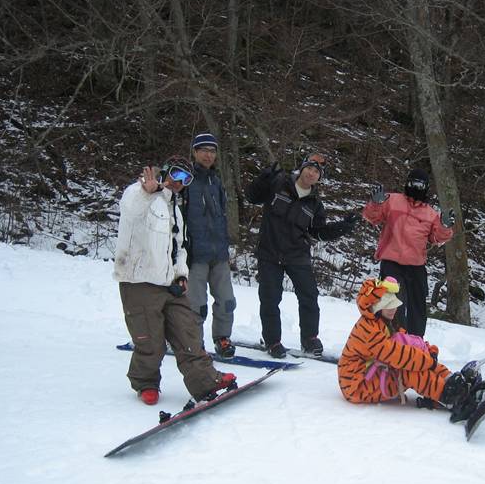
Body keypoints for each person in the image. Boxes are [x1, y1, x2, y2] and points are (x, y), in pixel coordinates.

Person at [113, 156, 235, 405]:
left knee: (188, 334)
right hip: (140, 282)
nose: (179, 182)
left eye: (186, 179)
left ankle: (205, 381)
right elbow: (131, 211)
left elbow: (179, 247)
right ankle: (146, 383)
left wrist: (181, 274)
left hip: (170, 284)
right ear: (165, 172)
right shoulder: (138, 193)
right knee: (150, 341)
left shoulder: (175, 209)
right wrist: (147, 193)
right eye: (177, 174)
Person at [245, 152, 359, 358]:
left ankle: (310, 339)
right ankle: (272, 341)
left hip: (297, 255)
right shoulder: (279, 183)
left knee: (309, 296)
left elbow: (319, 232)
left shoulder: (315, 203)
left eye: (316, 172)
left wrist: (344, 227)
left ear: (319, 178)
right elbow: (252, 197)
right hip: (270, 252)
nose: (311, 173)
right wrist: (263, 178)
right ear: (302, 168)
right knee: (270, 298)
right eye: (309, 168)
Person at [338, 277, 485, 426]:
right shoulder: (368, 330)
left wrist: (428, 351)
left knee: (420, 360)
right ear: (374, 307)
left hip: (371, 372)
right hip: (357, 385)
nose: (393, 309)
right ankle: (452, 397)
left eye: (394, 304)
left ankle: (451, 380)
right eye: (388, 306)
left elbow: (407, 340)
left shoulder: (382, 322)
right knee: (408, 372)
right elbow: (398, 355)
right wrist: (429, 362)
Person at [362, 168, 455, 336]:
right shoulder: (392, 201)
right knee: (393, 303)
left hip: (416, 265)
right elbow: (372, 218)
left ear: (426, 188)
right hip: (392, 262)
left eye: (420, 185)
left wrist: (445, 227)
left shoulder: (431, 214)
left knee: (417, 306)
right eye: (413, 183)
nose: (416, 188)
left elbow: (436, 238)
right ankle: (392, 338)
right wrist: (375, 204)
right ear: (407, 183)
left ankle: (415, 342)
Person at [182, 132, 236, 359]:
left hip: (219, 253)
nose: (208, 155)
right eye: (204, 150)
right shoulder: (186, 180)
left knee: (227, 301)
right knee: (196, 304)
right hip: (195, 254)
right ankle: (194, 342)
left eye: (212, 151)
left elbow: (221, 216)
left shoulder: (216, 181)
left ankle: (222, 338)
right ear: (195, 152)